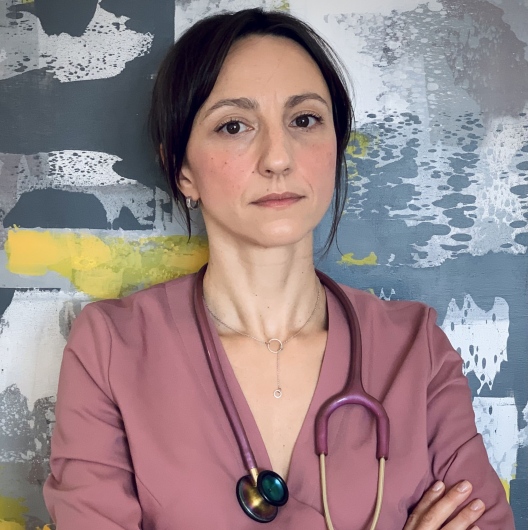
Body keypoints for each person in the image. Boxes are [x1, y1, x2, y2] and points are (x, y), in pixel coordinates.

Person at [43, 8, 515, 530]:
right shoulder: (110, 349)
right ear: (182, 170)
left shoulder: (415, 350)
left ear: (336, 145)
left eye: (304, 120)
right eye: (234, 126)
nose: (277, 158)